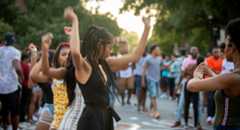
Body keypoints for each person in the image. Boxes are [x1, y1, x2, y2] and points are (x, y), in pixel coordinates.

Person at [63, 7, 151, 130]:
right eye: (109, 47)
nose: (111, 51)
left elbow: (135, 56)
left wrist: (147, 28)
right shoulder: (85, 66)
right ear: (100, 45)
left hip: (106, 116)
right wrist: (75, 20)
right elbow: (75, 53)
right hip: (91, 119)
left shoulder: (106, 64)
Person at [187, 18, 240, 130]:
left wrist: (197, 75)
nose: (223, 50)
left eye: (225, 45)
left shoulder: (232, 78)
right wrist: (209, 71)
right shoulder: (233, 77)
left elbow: (191, 86)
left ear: (232, 46)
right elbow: (224, 83)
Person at [0, 32, 24, 130]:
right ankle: (15, 128)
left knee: (4, 109)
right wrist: (22, 77)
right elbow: (17, 67)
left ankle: (4, 126)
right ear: (13, 41)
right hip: (12, 86)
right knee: (15, 110)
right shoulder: (15, 52)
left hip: (1, 86)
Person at [205, 47, 223, 124]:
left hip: (219, 82)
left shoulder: (222, 60)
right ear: (212, 53)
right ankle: (209, 116)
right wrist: (218, 72)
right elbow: (210, 70)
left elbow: (223, 70)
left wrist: (217, 72)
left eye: (217, 52)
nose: (216, 53)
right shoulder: (209, 60)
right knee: (210, 99)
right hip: (210, 82)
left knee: (217, 99)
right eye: (215, 52)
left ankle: (216, 115)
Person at [142, 45, 161, 119]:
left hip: (157, 79)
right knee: (153, 96)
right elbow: (144, 69)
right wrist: (143, 80)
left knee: (154, 96)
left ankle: (152, 110)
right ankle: (156, 111)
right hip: (150, 79)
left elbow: (160, 67)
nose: (159, 51)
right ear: (154, 50)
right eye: (158, 49)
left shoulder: (159, 58)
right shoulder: (148, 58)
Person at [117, 40, 134, 105]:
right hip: (122, 74)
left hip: (129, 73)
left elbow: (133, 64)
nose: (125, 48)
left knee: (130, 87)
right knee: (122, 89)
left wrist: (132, 72)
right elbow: (117, 66)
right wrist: (118, 74)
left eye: (126, 46)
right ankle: (123, 99)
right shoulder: (119, 56)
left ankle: (128, 99)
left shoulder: (130, 55)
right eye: (123, 46)